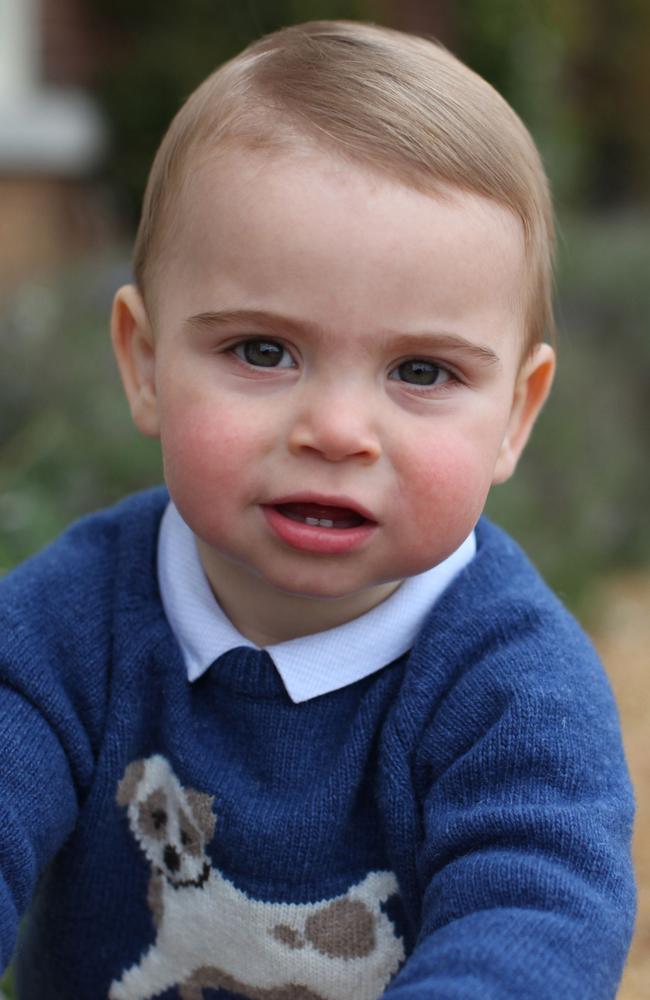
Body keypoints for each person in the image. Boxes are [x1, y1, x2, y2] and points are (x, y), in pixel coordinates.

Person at [0, 20, 635, 1000]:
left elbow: (534, 932)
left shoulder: (516, 694)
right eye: (261, 350)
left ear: (514, 416)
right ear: (143, 362)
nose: (337, 430)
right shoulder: (64, 629)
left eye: (420, 370)